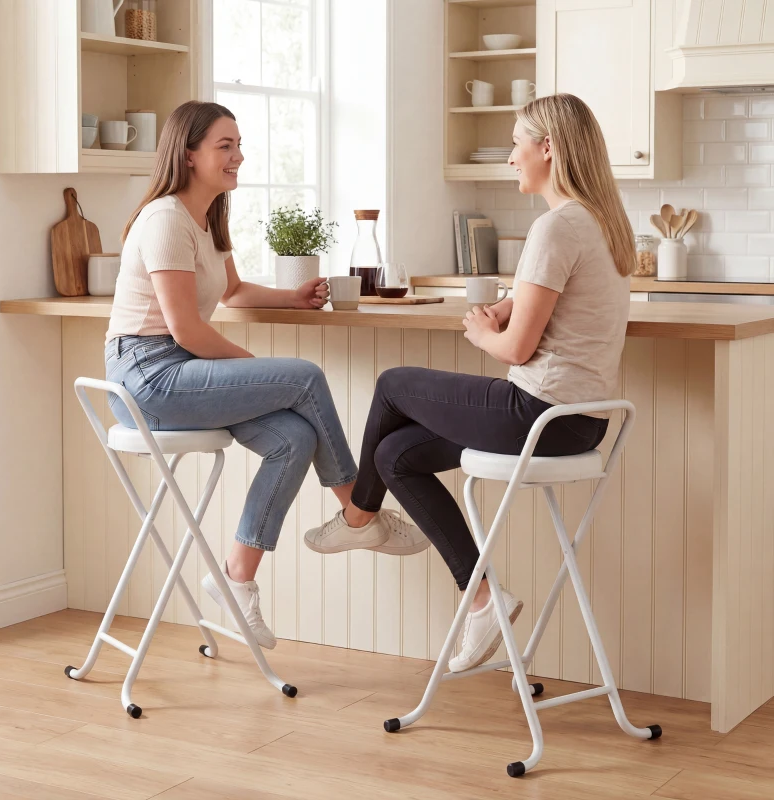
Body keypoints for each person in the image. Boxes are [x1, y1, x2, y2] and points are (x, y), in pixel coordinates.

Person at [304, 94, 634, 673]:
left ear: (548, 148)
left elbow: (516, 349)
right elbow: (550, 306)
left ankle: (359, 517)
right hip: (579, 425)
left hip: (535, 412)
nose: (511, 157)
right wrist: (508, 307)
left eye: (516, 143)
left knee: (392, 383)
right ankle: (483, 600)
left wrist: (484, 332)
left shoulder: (555, 227)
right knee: (395, 454)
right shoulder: (601, 223)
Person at [105, 101, 427, 650]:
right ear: (188, 154)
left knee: (294, 438)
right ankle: (357, 511)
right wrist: (260, 373)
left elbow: (231, 292)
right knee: (302, 376)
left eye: (238, 145)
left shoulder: (206, 218)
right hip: (147, 378)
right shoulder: (164, 218)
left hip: (179, 370)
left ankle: (236, 578)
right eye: (224, 146)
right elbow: (185, 330)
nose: (238, 156)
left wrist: (293, 298)